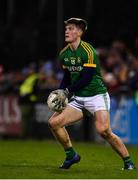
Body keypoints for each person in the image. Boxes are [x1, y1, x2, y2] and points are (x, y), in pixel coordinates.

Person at [48, 17, 136, 170]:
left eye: (71, 28)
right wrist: (61, 91)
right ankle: (71, 155)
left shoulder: (88, 51)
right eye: (66, 28)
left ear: (80, 32)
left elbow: (87, 78)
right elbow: (67, 76)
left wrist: (67, 91)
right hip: (79, 98)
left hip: (96, 96)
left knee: (103, 131)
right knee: (53, 123)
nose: (67, 31)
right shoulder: (64, 54)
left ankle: (128, 162)